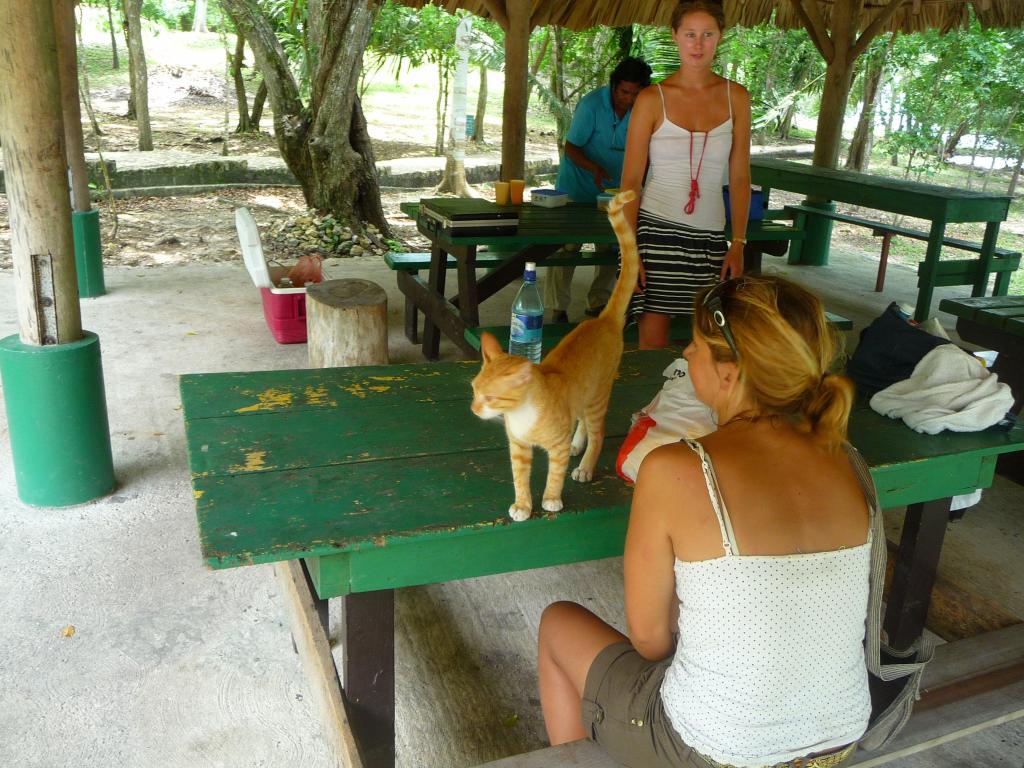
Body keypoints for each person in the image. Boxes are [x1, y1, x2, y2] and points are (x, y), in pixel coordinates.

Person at [537, 274, 872, 768]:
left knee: (557, 623)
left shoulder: (677, 467)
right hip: (838, 738)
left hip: (718, 751)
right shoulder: (846, 458)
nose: (686, 355)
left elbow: (649, 642)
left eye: (694, 345)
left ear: (730, 373)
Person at [620, 0, 752, 349]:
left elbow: (739, 176)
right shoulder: (651, 98)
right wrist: (628, 251)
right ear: (675, 36)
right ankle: (651, 405)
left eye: (707, 35)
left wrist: (738, 242)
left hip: (711, 236)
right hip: (656, 230)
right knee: (651, 344)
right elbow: (631, 181)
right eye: (690, 34)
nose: (698, 44)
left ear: (720, 37)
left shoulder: (736, 97)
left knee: (709, 344)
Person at [544, 57, 653, 324]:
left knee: (609, 246)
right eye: (624, 92)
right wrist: (593, 168)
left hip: (615, 190)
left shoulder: (647, 108)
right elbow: (572, 147)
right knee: (566, 247)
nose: (628, 99)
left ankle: (598, 302)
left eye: (635, 94)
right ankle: (558, 308)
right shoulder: (592, 104)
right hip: (578, 186)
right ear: (614, 86)